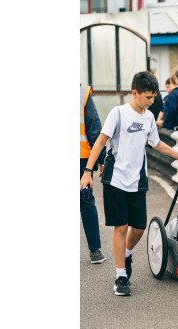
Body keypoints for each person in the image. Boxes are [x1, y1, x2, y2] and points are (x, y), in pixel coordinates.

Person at [80, 71, 178, 296]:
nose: (152, 102)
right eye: (148, 98)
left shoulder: (149, 117)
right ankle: (120, 276)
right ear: (134, 93)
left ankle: (126, 254)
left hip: (137, 180)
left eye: (154, 98)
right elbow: (100, 142)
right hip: (115, 179)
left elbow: (157, 144)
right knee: (121, 227)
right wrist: (87, 171)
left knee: (139, 228)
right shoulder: (118, 113)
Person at [80, 83, 106, 264]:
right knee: (86, 199)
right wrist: (102, 158)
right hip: (79, 157)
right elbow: (94, 126)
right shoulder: (81, 92)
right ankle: (95, 251)